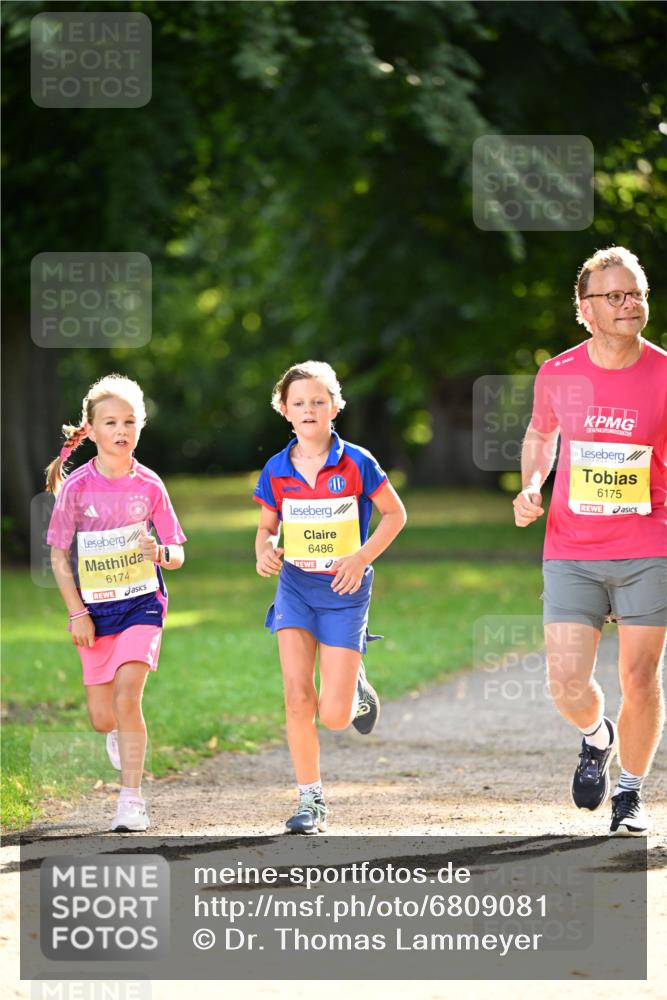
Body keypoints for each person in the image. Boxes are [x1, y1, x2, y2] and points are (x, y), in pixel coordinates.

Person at [513, 246, 667, 836]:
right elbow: (541, 433)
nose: (630, 304)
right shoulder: (558, 373)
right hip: (572, 547)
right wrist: (532, 484)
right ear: (586, 309)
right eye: (616, 295)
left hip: (647, 544)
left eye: (637, 293)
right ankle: (595, 737)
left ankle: (630, 793)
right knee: (568, 683)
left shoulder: (663, 374)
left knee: (639, 677)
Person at [253, 360, 407, 834]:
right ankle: (310, 800)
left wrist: (360, 558)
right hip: (296, 589)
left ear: (335, 406)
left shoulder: (357, 462)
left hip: (344, 591)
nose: (309, 409)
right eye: (299, 402)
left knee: (335, 716)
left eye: (318, 401)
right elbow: (266, 527)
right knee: (298, 698)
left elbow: (395, 516)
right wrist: (264, 551)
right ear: (284, 410)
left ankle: (356, 685)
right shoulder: (277, 469)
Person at [46, 374, 186, 832]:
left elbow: (178, 550)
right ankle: (114, 734)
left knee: (129, 698)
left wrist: (160, 553)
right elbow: (58, 555)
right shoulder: (77, 488)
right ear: (91, 430)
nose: (121, 430)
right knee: (102, 716)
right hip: (94, 612)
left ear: (140, 426)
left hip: (142, 605)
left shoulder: (149, 485)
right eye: (111, 422)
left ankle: (131, 799)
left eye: (129, 421)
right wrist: (77, 612)